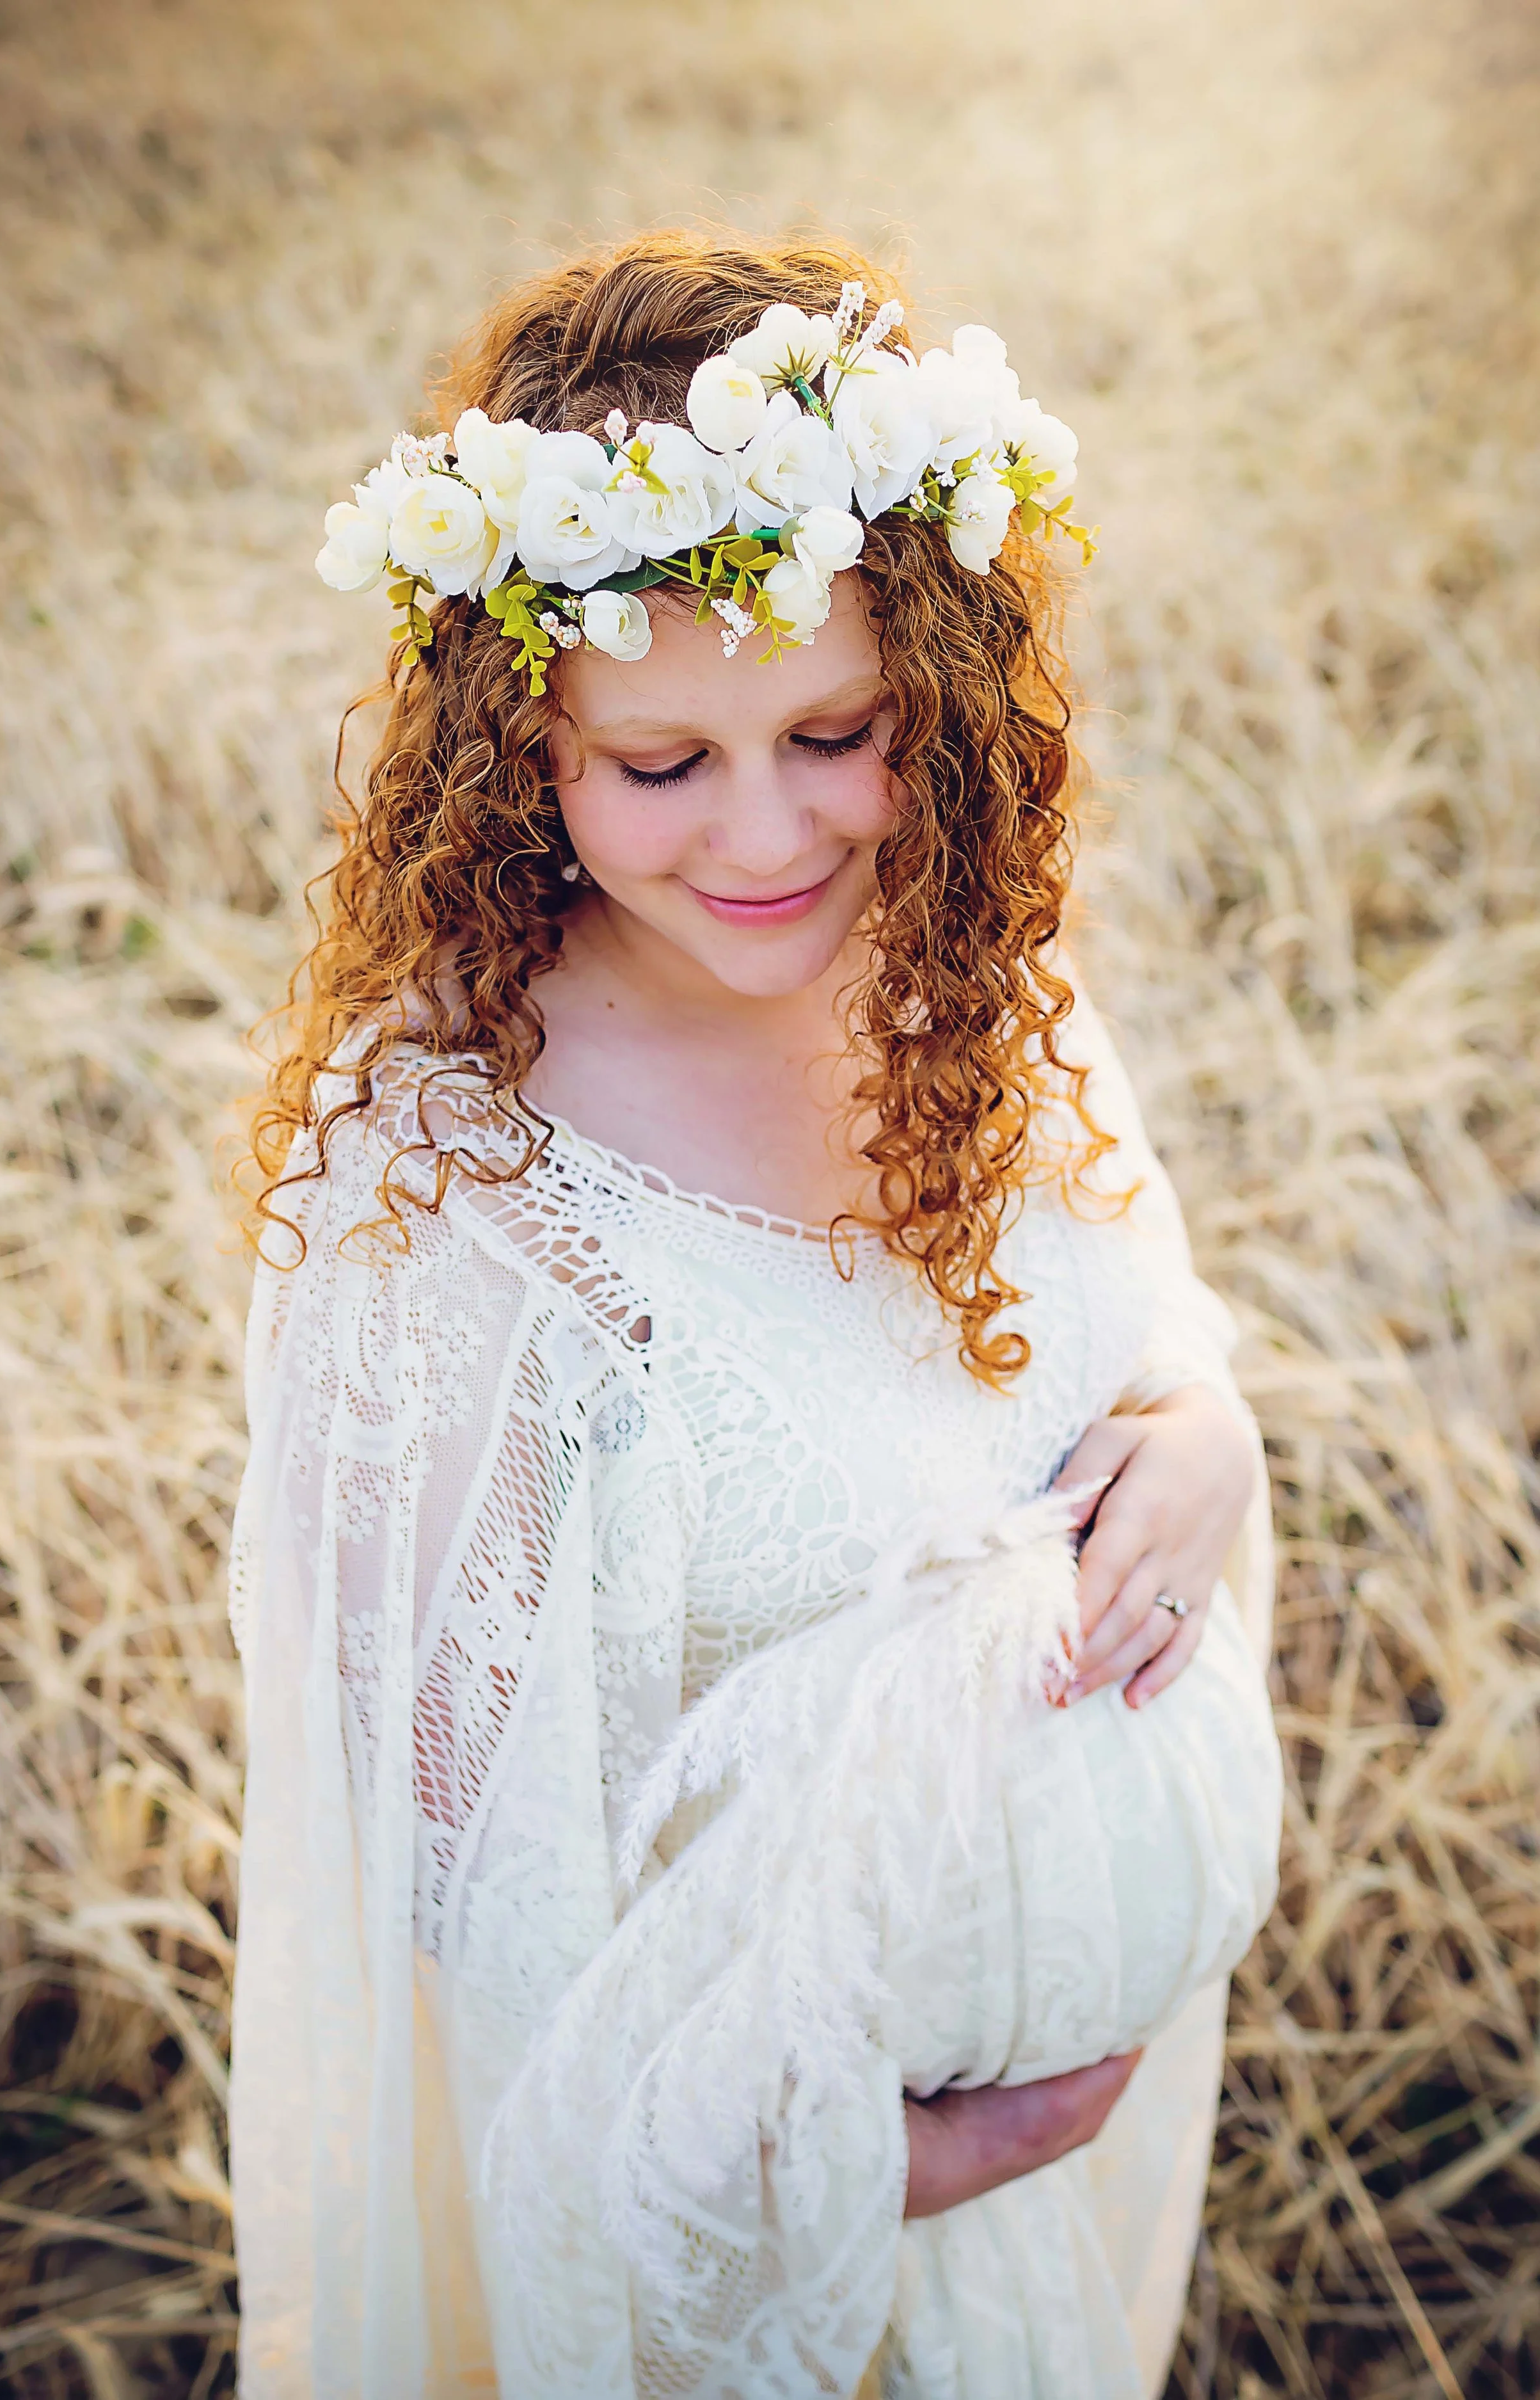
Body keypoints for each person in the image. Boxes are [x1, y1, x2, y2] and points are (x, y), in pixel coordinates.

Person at [230, 231, 1283, 2399]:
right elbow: (460, 1879)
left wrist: (1204, 1436)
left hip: (1015, 2222)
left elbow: (1140, 1325)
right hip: (700, 2226)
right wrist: (831, 2157)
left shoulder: (966, 984)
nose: (767, 836)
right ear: (521, 744)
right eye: (659, 763)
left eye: (833, 730)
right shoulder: (444, 1181)